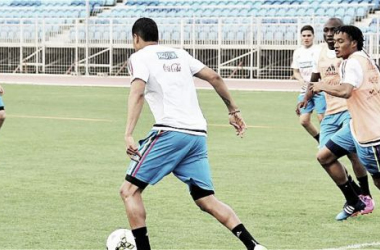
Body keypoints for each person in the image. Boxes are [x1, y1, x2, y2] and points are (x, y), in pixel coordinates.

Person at [119, 18, 267, 250]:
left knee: (129, 191)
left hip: (171, 132)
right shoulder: (179, 54)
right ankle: (254, 245)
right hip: (197, 136)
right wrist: (233, 110)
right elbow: (215, 77)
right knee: (206, 199)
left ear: (135, 38)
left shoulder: (139, 57)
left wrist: (128, 133)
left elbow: (137, 92)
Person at [298, 18, 373, 220]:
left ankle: (364, 196)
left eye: (335, 32)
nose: (330, 35)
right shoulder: (322, 52)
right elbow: (315, 78)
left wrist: (322, 87)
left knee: (353, 156)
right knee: (324, 156)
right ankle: (355, 197)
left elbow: (347, 90)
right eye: (327, 31)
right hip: (331, 113)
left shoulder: (354, 58)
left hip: (352, 113)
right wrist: (306, 97)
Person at [292, 25, 325, 142]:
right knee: (303, 120)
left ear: (313, 36)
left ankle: (328, 143)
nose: (306, 38)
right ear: (301, 37)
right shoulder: (298, 52)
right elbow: (295, 71)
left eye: (309, 35)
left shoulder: (319, 50)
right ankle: (320, 140)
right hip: (305, 90)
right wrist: (300, 80)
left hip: (319, 88)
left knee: (322, 118)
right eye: (304, 36)